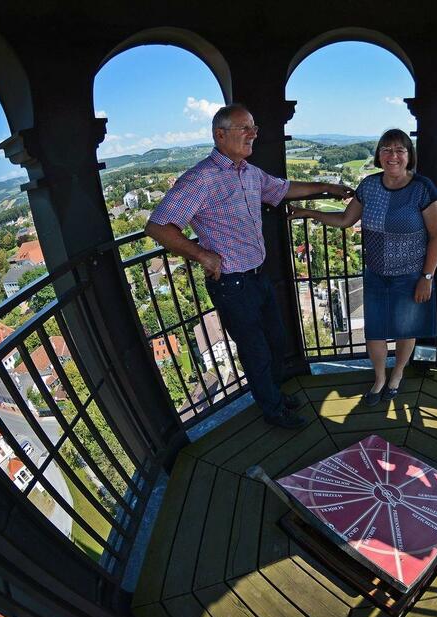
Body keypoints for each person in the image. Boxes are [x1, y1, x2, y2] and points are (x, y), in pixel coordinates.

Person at [145, 103, 353, 429]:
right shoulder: (201, 179)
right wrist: (201, 255)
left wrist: (326, 187)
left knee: (274, 342)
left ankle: (275, 396)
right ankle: (274, 411)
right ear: (220, 134)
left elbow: (285, 189)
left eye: (254, 128)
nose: (253, 133)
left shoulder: (249, 173)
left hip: (258, 276)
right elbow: (158, 226)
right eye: (245, 128)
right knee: (255, 351)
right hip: (231, 283)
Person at [288, 129, 437, 405]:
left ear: (409, 156)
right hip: (375, 273)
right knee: (375, 331)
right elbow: (346, 220)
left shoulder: (423, 188)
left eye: (399, 150)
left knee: (405, 330)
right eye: (386, 149)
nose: (392, 155)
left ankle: (396, 375)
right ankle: (380, 378)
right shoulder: (369, 186)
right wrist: (309, 212)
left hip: (410, 275)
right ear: (378, 155)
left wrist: (427, 276)